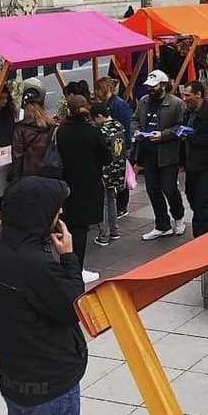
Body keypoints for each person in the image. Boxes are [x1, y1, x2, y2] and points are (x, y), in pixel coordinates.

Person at [0, 177, 86, 415]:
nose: (60, 213)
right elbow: (74, 306)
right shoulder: (35, 266)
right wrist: (68, 257)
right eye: (56, 209)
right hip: (50, 385)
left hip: (15, 379)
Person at [54, 95, 109, 283]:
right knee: (81, 229)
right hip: (89, 183)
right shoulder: (92, 132)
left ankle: (68, 265)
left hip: (67, 184)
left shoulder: (61, 132)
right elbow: (106, 157)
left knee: (68, 224)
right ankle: (77, 267)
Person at [133, 70, 186, 241]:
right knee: (152, 190)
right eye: (148, 86)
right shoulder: (143, 101)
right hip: (148, 152)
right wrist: (136, 130)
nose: (150, 89)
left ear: (163, 86)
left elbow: (181, 127)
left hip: (168, 154)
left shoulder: (176, 103)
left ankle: (178, 218)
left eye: (154, 86)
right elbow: (134, 119)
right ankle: (162, 225)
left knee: (169, 189)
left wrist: (163, 135)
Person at [178, 81, 208, 238]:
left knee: (201, 201)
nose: (184, 98)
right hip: (191, 163)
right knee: (192, 196)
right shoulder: (188, 112)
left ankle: (200, 237)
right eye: (183, 95)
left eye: (187, 95)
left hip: (206, 163)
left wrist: (191, 138)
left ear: (198, 95)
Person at [94, 77, 133, 218]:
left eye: (98, 89)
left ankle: (122, 206)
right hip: (114, 145)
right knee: (116, 175)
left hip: (120, 145)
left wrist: (126, 148)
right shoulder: (108, 103)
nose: (96, 93)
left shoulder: (119, 105)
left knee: (121, 175)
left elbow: (126, 128)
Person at [91, 103, 126, 247]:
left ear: (99, 116)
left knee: (103, 202)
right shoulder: (119, 126)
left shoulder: (101, 131)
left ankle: (103, 235)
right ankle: (114, 230)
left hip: (105, 170)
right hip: (118, 169)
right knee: (112, 199)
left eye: (94, 119)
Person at [10, 100, 56, 183]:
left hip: (29, 171)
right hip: (49, 169)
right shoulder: (51, 126)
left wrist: (15, 176)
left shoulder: (21, 128)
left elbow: (17, 155)